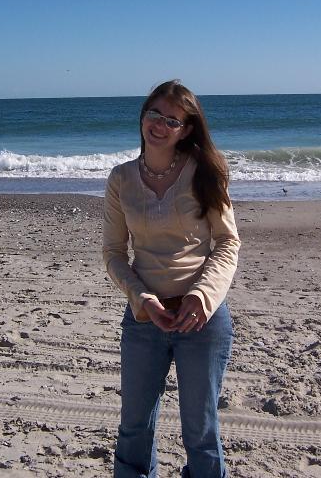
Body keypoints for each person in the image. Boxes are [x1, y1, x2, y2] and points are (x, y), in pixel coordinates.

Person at [103, 80, 241, 478]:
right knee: (134, 428)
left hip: (202, 320)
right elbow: (114, 254)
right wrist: (142, 298)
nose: (159, 125)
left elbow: (227, 242)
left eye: (172, 120)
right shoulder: (121, 179)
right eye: (154, 114)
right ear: (143, 115)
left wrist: (202, 296)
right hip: (144, 320)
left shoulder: (205, 172)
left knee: (201, 432)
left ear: (186, 129)